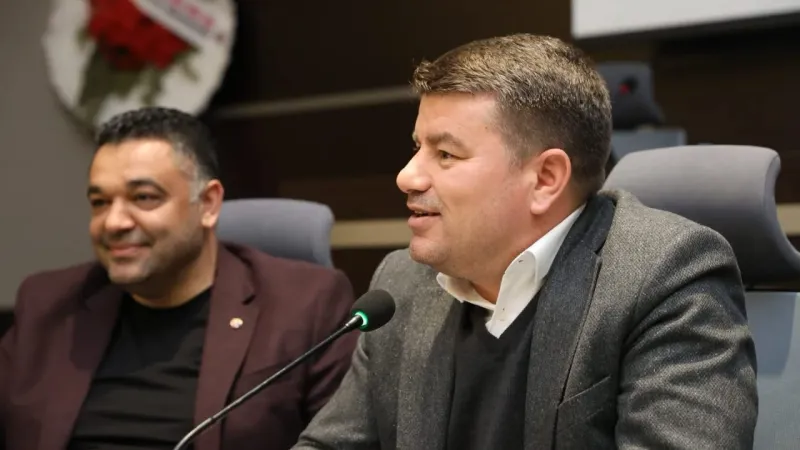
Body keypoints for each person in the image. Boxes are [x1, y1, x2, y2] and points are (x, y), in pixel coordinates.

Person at [293, 34, 758, 449]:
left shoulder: (662, 277)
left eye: (446, 154)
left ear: (545, 179)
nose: (407, 176)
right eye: (418, 147)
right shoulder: (401, 284)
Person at [0, 107, 358, 450]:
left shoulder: (305, 305)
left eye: (143, 197)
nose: (114, 222)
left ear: (208, 203)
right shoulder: (50, 304)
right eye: (100, 202)